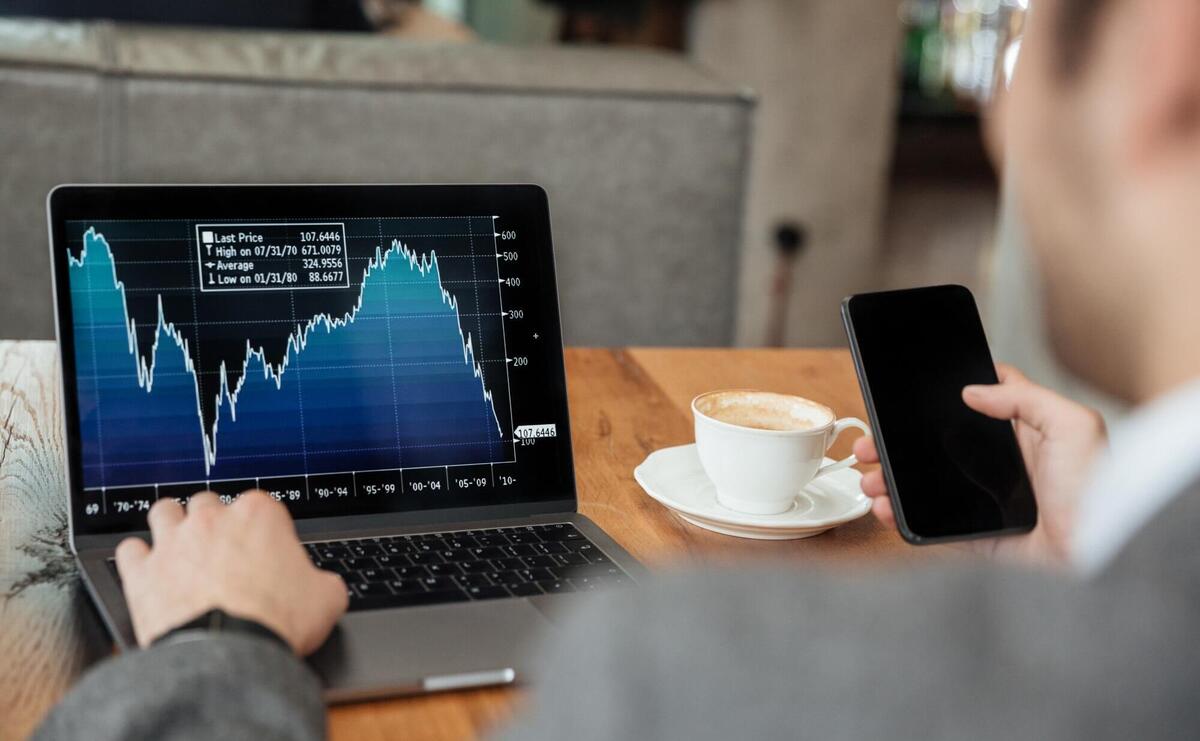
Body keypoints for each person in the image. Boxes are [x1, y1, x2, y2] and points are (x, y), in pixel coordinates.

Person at [34, 0, 1200, 737]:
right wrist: (1079, 582)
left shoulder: (684, 681)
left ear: (1163, 47)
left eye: (1025, 38)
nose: (1004, 120)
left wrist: (218, 645)